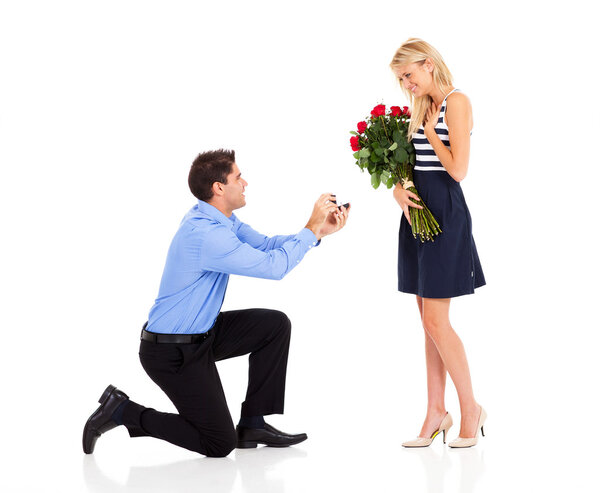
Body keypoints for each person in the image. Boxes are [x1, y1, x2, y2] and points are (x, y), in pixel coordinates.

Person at [82, 149, 349, 457]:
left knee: (273, 325)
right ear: (218, 188)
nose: (245, 182)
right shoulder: (206, 234)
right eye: (238, 176)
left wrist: (315, 232)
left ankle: (253, 424)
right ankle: (122, 411)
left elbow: (266, 246)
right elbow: (273, 268)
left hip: (203, 335)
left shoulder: (220, 220)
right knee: (219, 443)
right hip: (171, 352)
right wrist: (310, 229)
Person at [389, 39, 486, 448]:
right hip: (416, 214)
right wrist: (398, 189)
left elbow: (459, 170)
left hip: (445, 213)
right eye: (400, 79)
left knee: (436, 321)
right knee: (427, 323)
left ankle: (470, 410)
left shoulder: (456, 102)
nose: (406, 84)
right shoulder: (419, 108)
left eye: (408, 75)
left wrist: (432, 131)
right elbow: (408, 164)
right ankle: (435, 412)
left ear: (428, 64)